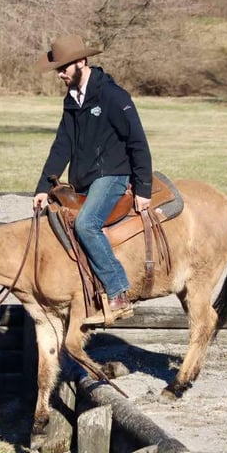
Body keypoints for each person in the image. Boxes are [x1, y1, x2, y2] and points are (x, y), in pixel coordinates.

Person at [32, 34, 153, 325]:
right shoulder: (71, 100)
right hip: (84, 178)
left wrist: (144, 188)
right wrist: (42, 188)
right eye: (58, 70)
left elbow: (137, 141)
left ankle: (118, 291)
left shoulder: (113, 96)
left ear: (81, 62)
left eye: (63, 68)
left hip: (112, 174)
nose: (60, 74)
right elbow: (62, 145)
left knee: (86, 224)